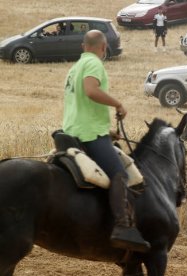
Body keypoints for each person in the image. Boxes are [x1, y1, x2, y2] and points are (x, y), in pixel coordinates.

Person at [62, 30, 150, 253]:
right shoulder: (94, 64)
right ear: (103, 48)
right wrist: (118, 104)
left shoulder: (74, 68)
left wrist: (107, 131)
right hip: (88, 134)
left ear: (84, 46)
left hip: (73, 130)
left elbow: (82, 105)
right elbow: (91, 91)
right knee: (119, 173)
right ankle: (122, 226)